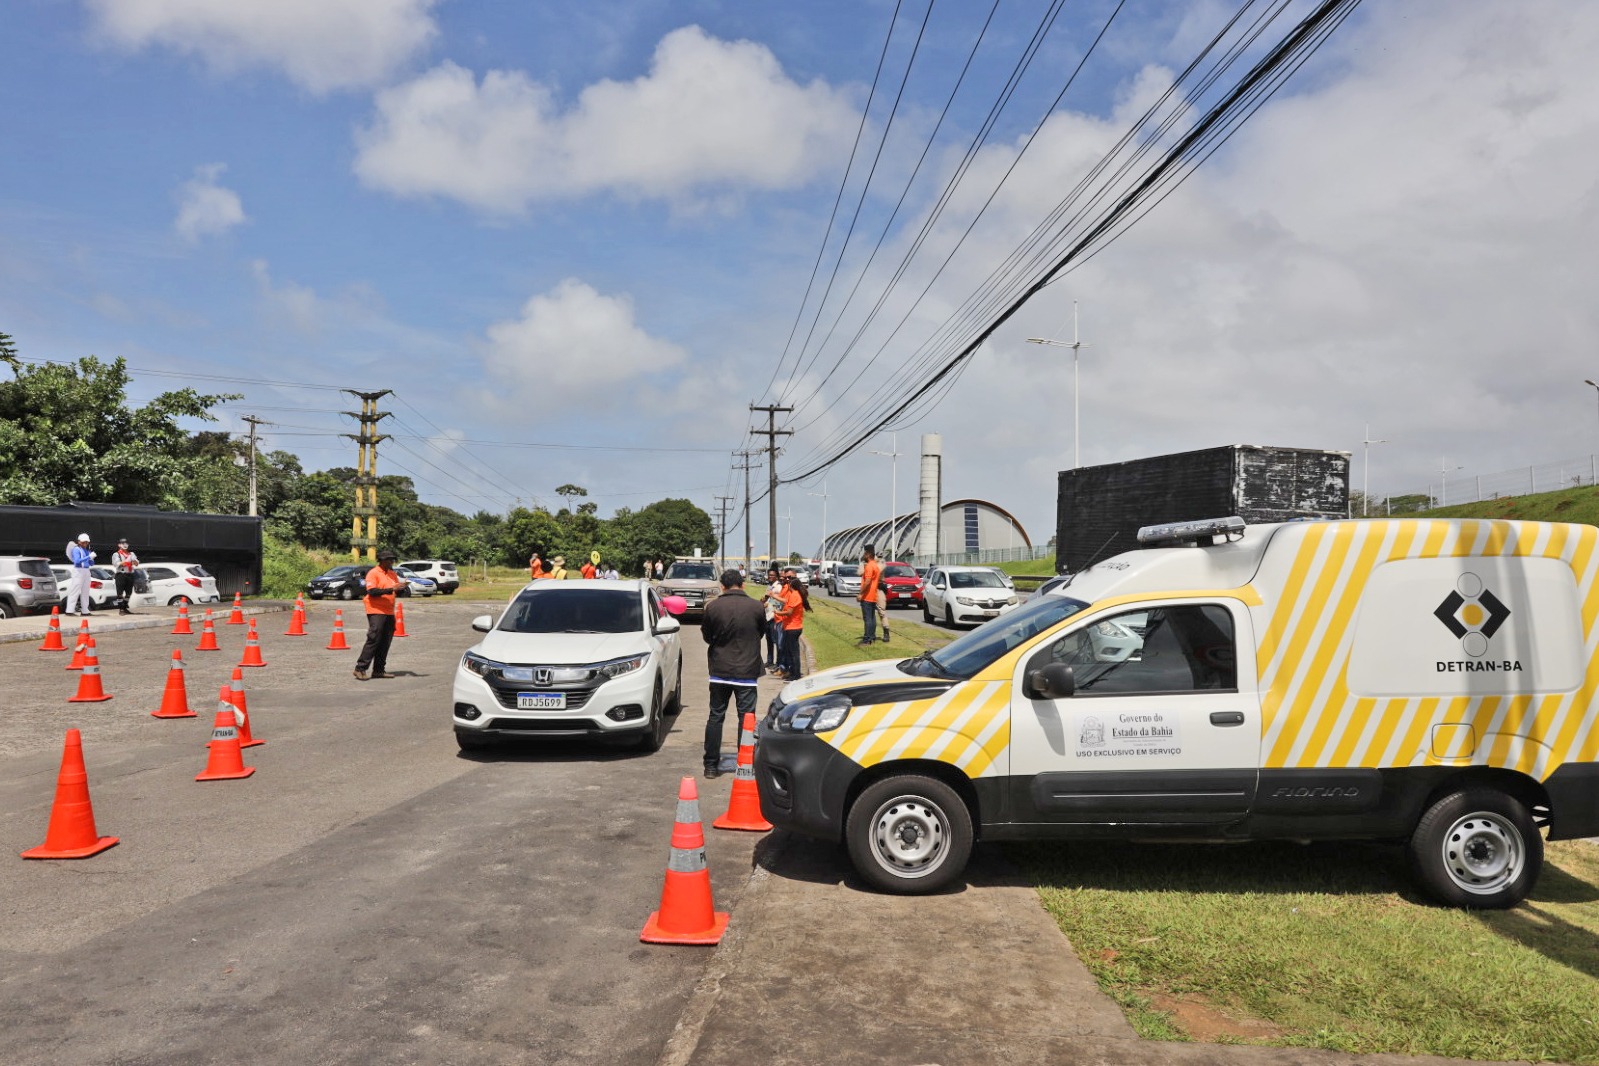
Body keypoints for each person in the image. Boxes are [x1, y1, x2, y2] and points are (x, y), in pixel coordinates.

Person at [700, 568, 766, 778]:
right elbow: (761, 632)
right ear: (742, 584)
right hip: (747, 671)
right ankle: (744, 763)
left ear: (722, 586)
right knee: (746, 719)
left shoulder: (713, 607)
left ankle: (711, 766)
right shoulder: (756, 607)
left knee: (715, 716)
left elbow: (707, 636)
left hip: (720, 670)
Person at [354, 550, 403, 681]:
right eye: (389, 560)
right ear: (382, 561)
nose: (392, 562)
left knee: (385, 641)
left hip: (389, 611)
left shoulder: (392, 574)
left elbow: (396, 591)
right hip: (375, 610)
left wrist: (401, 588)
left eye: (392, 559)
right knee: (374, 638)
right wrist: (391, 589)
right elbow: (372, 591)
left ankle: (379, 670)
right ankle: (360, 668)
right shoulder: (373, 573)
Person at [775, 567, 808, 680]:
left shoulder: (795, 595)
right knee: (790, 652)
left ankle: (796, 674)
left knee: (794, 653)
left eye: (789, 580)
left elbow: (789, 612)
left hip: (793, 627)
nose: (787, 582)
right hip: (790, 626)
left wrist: (778, 612)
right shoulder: (794, 594)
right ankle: (793, 673)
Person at [857, 543, 882, 645]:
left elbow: (867, 581)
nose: (863, 555)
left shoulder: (869, 566)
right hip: (873, 596)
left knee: (867, 618)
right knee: (872, 618)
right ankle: (872, 636)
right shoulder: (875, 565)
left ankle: (867, 639)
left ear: (867, 554)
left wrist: (860, 593)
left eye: (864, 553)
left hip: (867, 596)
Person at [66, 533, 95, 616]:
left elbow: (91, 563)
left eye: (86, 542)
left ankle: (85, 610)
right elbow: (77, 561)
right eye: (83, 542)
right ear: (79, 542)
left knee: (86, 591)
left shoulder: (87, 551)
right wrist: (89, 557)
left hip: (86, 571)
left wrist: (92, 559)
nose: (85, 543)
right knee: (75, 590)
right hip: (78, 571)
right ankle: (69, 610)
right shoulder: (76, 549)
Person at [762, 566, 783, 673]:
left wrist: (769, 603)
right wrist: (764, 601)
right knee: (769, 640)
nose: (770, 577)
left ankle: (778, 663)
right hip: (767, 616)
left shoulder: (778, 587)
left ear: (776, 576)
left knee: (776, 641)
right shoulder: (770, 586)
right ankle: (770, 661)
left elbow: (778, 602)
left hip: (774, 617)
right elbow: (767, 598)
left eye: (772, 575)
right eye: (769, 575)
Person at [111, 537, 140, 614]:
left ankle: (124, 607)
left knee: (129, 593)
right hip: (121, 574)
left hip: (130, 574)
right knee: (120, 593)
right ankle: (121, 609)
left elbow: (136, 563)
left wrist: (134, 561)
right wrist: (128, 561)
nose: (125, 545)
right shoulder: (116, 554)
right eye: (123, 543)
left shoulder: (131, 554)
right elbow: (117, 564)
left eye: (126, 543)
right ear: (119, 545)